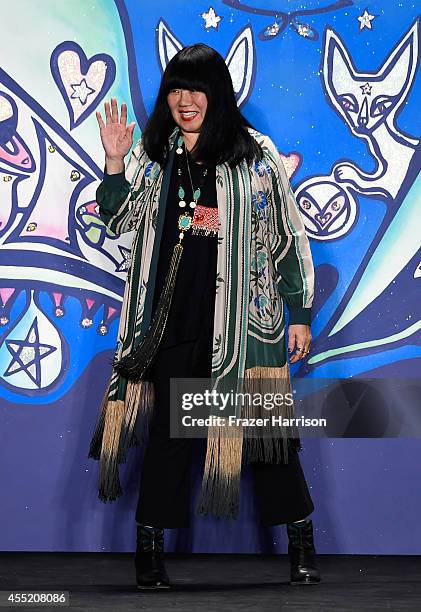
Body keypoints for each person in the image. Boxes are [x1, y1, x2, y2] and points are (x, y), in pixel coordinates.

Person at [89, 43, 320, 589]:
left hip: (243, 324)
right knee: (171, 439)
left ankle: (302, 547)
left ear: (217, 93)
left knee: (266, 438)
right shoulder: (152, 153)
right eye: (175, 89)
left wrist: (300, 312)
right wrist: (115, 162)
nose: (184, 101)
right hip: (172, 320)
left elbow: (286, 236)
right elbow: (120, 219)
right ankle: (149, 554)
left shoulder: (253, 155)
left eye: (195, 89)